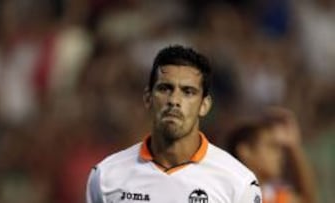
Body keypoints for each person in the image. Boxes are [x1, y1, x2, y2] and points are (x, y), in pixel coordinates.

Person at [86, 45, 262, 203]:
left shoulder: (237, 182)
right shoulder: (106, 177)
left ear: (204, 105)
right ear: (148, 98)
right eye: (165, 89)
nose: (174, 100)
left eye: (188, 92)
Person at [227, 107, 317, 203]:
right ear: (246, 151)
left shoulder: (273, 196)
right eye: (271, 147)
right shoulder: (226, 194)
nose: (279, 156)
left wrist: (294, 146)